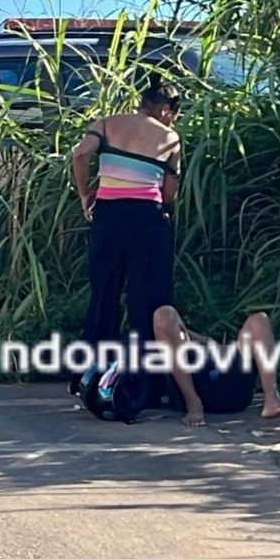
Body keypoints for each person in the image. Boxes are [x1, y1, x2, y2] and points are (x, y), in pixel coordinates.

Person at [69, 72, 182, 413]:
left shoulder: (106, 123)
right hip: (147, 220)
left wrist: (86, 195)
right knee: (147, 302)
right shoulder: (170, 137)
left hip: (109, 217)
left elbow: (79, 154)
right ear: (166, 109)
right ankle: (144, 384)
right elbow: (169, 192)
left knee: (103, 296)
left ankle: (88, 376)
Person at [153, 305, 280, 426]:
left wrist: (208, 342)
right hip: (192, 382)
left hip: (232, 383)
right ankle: (193, 405)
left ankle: (271, 399)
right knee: (164, 313)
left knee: (259, 319)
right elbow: (171, 330)